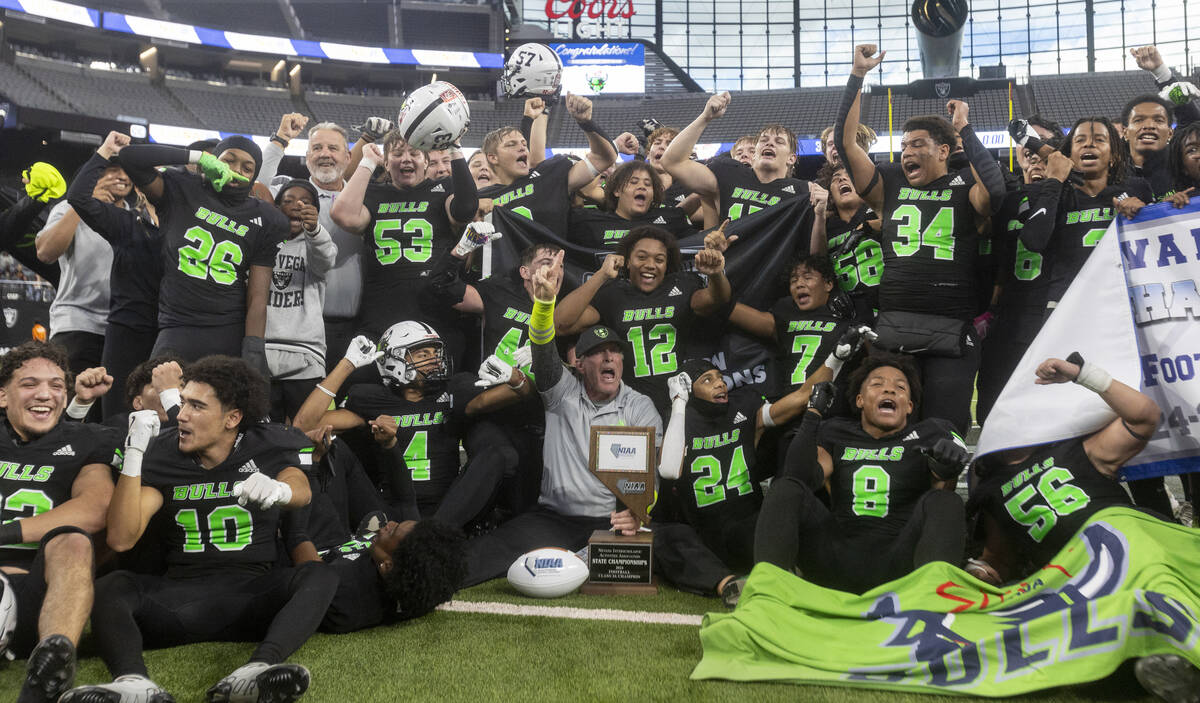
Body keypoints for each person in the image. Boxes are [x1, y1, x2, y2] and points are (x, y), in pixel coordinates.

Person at [62, 356, 335, 703]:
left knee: (318, 575)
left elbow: (300, 488)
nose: (180, 414)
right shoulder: (163, 453)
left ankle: (255, 672)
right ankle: (133, 683)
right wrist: (134, 454)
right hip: (178, 600)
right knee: (112, 585)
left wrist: (280, 491)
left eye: (196, 405)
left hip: (250, 596)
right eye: (182, 401)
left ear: (232, 418)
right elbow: (120, 537)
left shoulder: (267, 443)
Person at [461, 251, 662, 586]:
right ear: (579, 364)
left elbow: (649, 472)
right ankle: (421, 581)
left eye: (614, 352)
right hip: (555, 519)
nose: (608, 358)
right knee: (490, 550)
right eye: (597, 353)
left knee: (676, 541)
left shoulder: (639, 406)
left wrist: (638, 512)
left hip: (612, 520)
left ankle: (725, 583)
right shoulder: (560, 391)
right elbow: (542, 344)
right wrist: (543, 305)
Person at [835, 44, 1007, 433]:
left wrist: (966, 129)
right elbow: (848, 146)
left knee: (943, 431)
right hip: (893, 329)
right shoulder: (890, 184)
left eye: (917, 145)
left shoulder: (964, 184)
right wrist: (857, 76)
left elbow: (995, 193)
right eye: (903, 145)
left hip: (950, 327)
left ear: (944, 151)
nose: (906, 152)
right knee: (884, 431)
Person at [653, 327, 868, 603]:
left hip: (747, 527)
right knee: (665, 536)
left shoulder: (744, 412)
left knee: (773, 518)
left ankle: (791, 574)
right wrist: (679, 404)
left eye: (720, 378)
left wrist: (836, 358)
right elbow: (669, 470)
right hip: (702, 535)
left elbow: (804, 396)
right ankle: (728, 586)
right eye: (707, 380)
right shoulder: (678, 422)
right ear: (689, 391)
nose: (720, 384)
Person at [754, 352, 970, 594]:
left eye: (900, 387)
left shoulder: (930, 433)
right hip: (837, 559)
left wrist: (947, 465)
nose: (889, 390)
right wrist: (813, 414)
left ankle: (934, 598)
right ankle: (767, 593)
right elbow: (797, 476)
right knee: (784, 488)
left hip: (900, 564)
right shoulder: (835, 432)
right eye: (877, 384)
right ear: (859, 400)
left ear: (909, 406)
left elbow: (942, 496)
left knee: (946, 501)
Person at [292, 323, 527, 526]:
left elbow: (520, 394)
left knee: (497, 454)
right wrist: (347, 364)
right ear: (393, 361)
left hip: (448, 505)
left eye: (435, 352)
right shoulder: (372, 399)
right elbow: (303, 426)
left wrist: (516, 379)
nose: (434, 361)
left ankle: (433, 533)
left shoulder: (453, 391)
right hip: (390, 512)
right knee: (334, 448)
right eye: (422, 354)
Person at [115, 135, 291, 378]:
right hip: (177, 324)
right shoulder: (182, 188)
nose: (235, 170)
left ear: (254, 176)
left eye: (247, 167)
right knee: (158, 401)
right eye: (227, 160)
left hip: (227, 329)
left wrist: (253, 351)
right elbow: (129, 157)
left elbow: (258, 295)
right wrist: (197, 157)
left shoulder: (268, 219)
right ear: (212, 162)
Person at [0, 342, 119, 703]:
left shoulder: (86, 440)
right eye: (30, 383)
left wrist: (6, 533)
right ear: (3, 396)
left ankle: (52, 665)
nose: (45, 394)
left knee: (73, 541)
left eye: (56, 386)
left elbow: (96, 507)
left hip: (39, 595)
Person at [329, 131, 478, 361]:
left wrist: (456, 149)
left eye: (414, 153)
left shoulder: (442, 189)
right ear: (386, 164)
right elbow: (343, 215)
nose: (406, 158)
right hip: (381, 307)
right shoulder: (373, 192)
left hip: (435, 306)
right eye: (397, 154)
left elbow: (465, 210)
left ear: (425, 162)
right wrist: (367, 162)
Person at [554, 225, 731, 415]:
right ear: (628, 261)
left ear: (667, 264)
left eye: (659, 259)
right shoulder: (613, 294)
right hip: (627, 406)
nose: (650, 264)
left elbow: (717, 299)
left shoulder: (682, 285)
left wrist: (715, 273)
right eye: (642, 257)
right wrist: (601, 275)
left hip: (677, 402)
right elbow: (561, 324)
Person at [64, 132, 163, 419]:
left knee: (163, 422)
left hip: (171, 333)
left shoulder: (189, 233)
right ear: (141, 191)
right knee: (116, 419)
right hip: (126, 334)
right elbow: (78, 197)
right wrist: (106, 151)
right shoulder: (128, 224)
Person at [258, 115, 364, 372]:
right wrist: (281, 139)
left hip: (350, 326)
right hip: (295, 329)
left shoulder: (363, 197)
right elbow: (258, 185)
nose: (324, 154)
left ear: (348, 157)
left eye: (333, 148)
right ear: (306, 157)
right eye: (317, 148)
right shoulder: (287, 197)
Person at [1018, 118, 1151, 310]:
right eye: (1080, 140)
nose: (1089, 143)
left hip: (1124, 302)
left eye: (1099, 139)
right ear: (1069, 156)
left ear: (1114, 156)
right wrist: (1055, 180)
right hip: (1065, 306)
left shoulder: (1137, 189)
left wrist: (1144, 213)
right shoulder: (1052, 192)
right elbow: (1033, 241)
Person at [35, 155, 128, 385]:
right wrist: (81, 204)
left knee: (111, 414)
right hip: (78, 324)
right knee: (70, 404)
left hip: (123, 330)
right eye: (113, 170)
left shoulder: (136, 216)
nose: (123, 176)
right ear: (94, 174)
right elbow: (45, 252)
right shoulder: (68, 207)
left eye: (127, 171)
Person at [661, 92, 813, 228]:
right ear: (756, 154)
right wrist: (705, 117)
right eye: (764, 140)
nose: (769, 143)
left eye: (779, 142)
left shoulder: (804, 191)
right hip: (728, 259)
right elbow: (672, 162)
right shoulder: (727, 175)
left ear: (791, 158)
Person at [477, 94, 618, 236]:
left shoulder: (549, 176)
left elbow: (604, 158)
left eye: (524, 144)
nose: (522, 148)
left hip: (551, 257)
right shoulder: (480, 198)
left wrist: (586, 123)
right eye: (511, 145)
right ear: (493, 158)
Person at [728, 254, 852, 399]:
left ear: (828, 284)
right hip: (789, 408)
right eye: (793, 280)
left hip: (831, 411)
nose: (799, 284)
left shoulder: (846, 315)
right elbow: (729, 309)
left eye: (807, 278)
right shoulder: (785, 313)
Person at [266, 180, 337, 421]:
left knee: (309, 435)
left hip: (305, 356)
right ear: (275, 208)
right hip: (262, 353)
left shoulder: (317, 244)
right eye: (287, 201)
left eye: (305, 202)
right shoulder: (260, 243)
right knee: (262, 437)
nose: (296, 205)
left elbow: (325, 259)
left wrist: (314, 229)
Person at [567, 160, 696, 252]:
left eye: (648, 184)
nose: (642, 187)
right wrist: (604, 160)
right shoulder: (588, 221)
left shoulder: (671, 219)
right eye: (633, 182)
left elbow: (700, 244)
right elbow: (584, 190)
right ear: (617, 191)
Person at [816, 162, 882, 324]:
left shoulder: (877, 209)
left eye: (849, 176)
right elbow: (816, 261)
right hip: (847, 313)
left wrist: (870, 226)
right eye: (835, 179)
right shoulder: (824, 226)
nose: (842, 180)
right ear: (830, 195)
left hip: (886, 306)